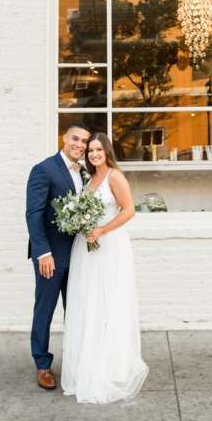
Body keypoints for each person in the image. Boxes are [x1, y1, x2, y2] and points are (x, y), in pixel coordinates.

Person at [61, 132, 149, 403]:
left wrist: (102, 229)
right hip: (86, 248)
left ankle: (111, 368)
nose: (94, 154)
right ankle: (85, 364)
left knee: (109, 303)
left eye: (99, 150)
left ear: (107, 152)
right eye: (91, 151)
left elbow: (129, 210)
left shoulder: (114, 176)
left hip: (110, 247)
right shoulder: (89, 179)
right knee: (88, 304)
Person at [26, 122, 91, 390]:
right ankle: (42, 364)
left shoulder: (85, 173)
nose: (80, 145)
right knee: (45, 309)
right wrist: (43, 252)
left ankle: (76, 361)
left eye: (84, 142)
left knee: (76, 310)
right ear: (64, 138)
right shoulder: (44, 169)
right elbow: (34, 213)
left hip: (78, 254)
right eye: (75, 139)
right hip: (51, 256)